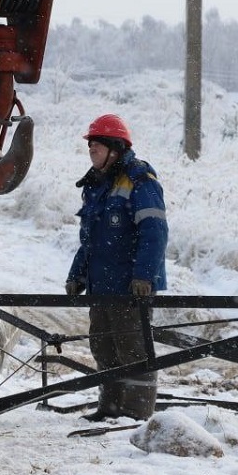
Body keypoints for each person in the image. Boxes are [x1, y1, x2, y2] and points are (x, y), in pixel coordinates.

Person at [64, 113, 168, 421]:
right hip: (102, 285)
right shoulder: (97, 185)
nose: (91, 151)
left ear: (115, 148)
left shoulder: (139, 179)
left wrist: (143, 276)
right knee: (104, 347)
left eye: (96, 145)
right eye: (90, 146)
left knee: (132, 350)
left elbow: (155, 231)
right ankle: (109, 408)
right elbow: (91, 239)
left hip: (129, 285)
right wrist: (77, 273)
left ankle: (136, 414)